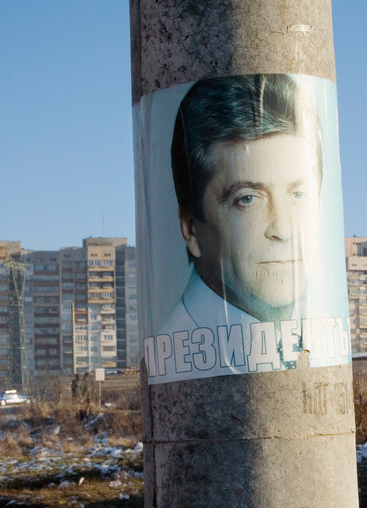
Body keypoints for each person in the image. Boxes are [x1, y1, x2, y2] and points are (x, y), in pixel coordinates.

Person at [146, 73, 345, 381]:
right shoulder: (174, 365)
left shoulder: (321, 329)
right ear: (191, 230)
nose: (284, 229)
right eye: (248, 199)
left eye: (298, 194)